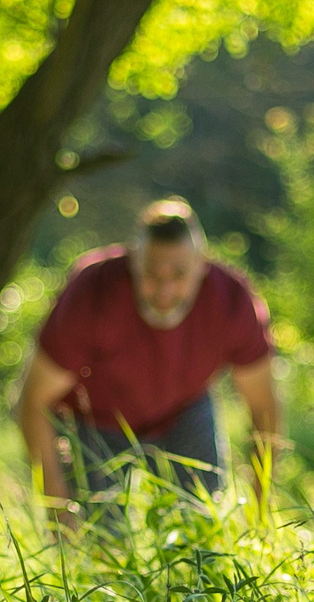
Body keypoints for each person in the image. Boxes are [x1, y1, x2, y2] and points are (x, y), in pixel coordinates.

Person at [15, 198, 284, 524]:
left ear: (202, 266)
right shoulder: (92, 292)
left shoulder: (232, 301)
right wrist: (59, 511)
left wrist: (261, 509)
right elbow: (33, 401)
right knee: (98, 545)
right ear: (132, 262)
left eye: (179, 274)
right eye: (152, 275)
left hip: (185, 412)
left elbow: (264, 407)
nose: (165, 290)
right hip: (94, 422)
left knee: (202, 534)